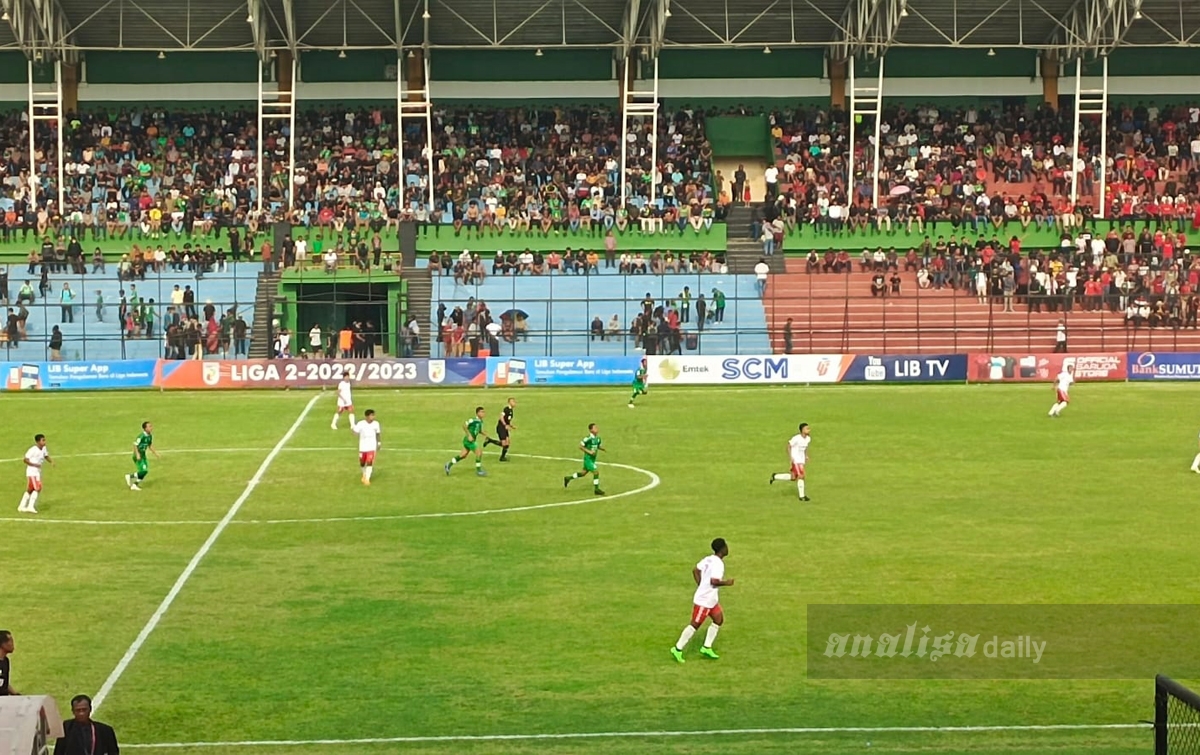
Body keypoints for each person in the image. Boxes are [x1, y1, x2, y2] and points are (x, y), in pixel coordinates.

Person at [670, 538, 734, 663]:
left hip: (711, 600)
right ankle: (677, 648)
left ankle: (706, 647)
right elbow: (714, 581)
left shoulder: (709, 559)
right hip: (704, 601)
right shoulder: (718, 564)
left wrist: (701, 585)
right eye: (726, 546)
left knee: (718, 620)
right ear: (722, 549)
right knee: (695, 624)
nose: (727, 548)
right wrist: (727, 583)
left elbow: (695, 570)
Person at [53, 694, 120, 755]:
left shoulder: (105, 731)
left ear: (90, 709)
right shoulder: (66, 728)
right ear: (73, 711)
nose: (81, 713)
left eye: (84, 710)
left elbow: (113, 752)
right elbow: (58, 752)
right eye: (78, 710)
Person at [770, 422, 812, 501]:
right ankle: (802, 496)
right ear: (802, 430)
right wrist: (791, 457)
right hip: (796, 460)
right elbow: (788, 446)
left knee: (793, 477)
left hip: (801, 460)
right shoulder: (796, 438)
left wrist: (806, 455)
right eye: (807, 428)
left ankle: (775, 476)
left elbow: (806, 447)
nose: (809, 430)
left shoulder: (808, 439)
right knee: (801, 476)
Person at [445, 407, 490, 477]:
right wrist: (469, 435)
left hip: (471, 440)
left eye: (484, 412)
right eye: (481, 412)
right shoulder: (473, 420)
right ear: (477, 413)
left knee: (463, 455)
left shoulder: (480, 422)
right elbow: (464, 425)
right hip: (469, 440)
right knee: (479, 453)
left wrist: (485, 434)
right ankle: (479, 471)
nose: (483, 413)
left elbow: (479, 430)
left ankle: (449, 464)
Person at [563, 423, 605, 496]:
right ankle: (596, 489)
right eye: (595, 428)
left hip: (592, 459)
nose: (597, 429)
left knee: (583, 473)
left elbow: (597, 446)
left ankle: (568, 478)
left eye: (597, 427)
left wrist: (602, 448)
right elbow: (581, 446)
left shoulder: (598, 439)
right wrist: (589, 452)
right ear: (591, 430)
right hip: (588, 459)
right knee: (596, 472)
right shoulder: (587, 438)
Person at [19, 433, 52, 514]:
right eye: (43, 440)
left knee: (30, 489)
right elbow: (25, 460)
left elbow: (45, 455)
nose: (44, 442)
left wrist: (51, 462)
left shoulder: (43, 448)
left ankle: (21, 506)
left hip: (37, 472)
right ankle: (30, 506)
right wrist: (35, 464)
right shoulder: (32, 450)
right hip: (32, 471)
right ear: (38, 442)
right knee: (38, 487)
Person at [125, 421, 159, 491]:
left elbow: (149, 445)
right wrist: (137, 454)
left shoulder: (150, 436)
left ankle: (134, 484)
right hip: (138, 456)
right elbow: (135, 444)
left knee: (143, 472)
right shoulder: (141, 436)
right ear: (145, 428)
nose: (151, 428)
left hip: (143, 456)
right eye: (149, 426)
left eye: (151, 426)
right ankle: (130, 477)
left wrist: (155, 453)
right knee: (144, 471)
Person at [351, 409, 381, 486]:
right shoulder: (361, 424)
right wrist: (354, 430)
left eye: (373, 415)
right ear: (367, 416)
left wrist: (379, 443)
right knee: (362, 463)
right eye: (372, 415)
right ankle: (364, 474)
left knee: (370, 462)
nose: (373, 417)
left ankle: (367, 479)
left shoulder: (376, 424)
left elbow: (378, 433)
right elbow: (355, 433)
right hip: (363, 447)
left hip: (371, 446)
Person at [483, 397, 516, 462]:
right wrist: (505, 425)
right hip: (501, 427)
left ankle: (502, 457)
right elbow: (501, 417)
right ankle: (490, 441)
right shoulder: (506, 409)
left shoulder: (511, 411)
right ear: (509, 402)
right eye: (513, 402)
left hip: (505, 428)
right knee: (504, 444)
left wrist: (511, 426)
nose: (514, 403)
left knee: (507, 443)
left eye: (515, 402)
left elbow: (507, 421)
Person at [0, 630, 16, 695]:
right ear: (2, 644)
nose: (13, 644)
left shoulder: (5, 661)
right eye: (11, 641)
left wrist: (16, 694)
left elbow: (5, 683)